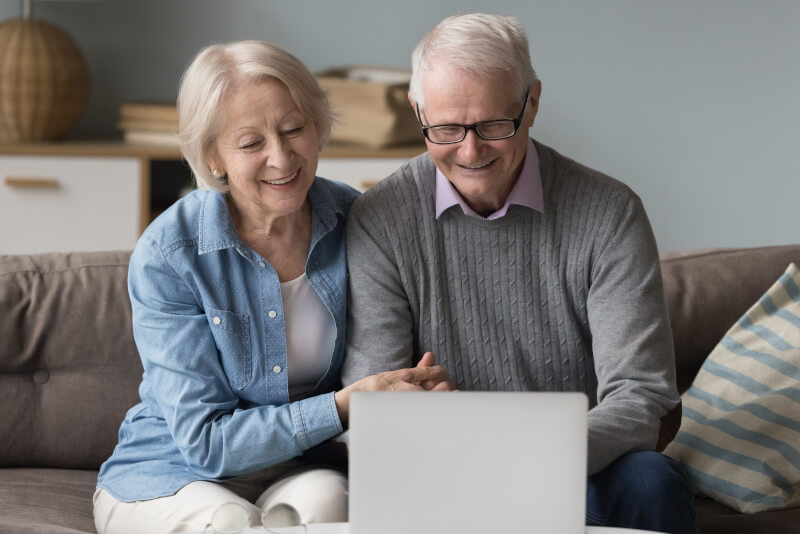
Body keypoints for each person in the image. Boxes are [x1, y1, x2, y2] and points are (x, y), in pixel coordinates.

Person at [342, 14, 698, 534]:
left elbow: (641, 395)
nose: (470, 152)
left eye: (492, 125)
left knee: (651, 481)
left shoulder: (609, 212)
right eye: (445, 129)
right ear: (418, 110)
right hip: (441, 472)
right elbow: (373, 402)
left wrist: (528, 463)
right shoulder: (379, 220)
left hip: (582, 467)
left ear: (531, 102)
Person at [93, 40, 452, 534]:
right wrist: (346, 405)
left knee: (333, 506)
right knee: (230, 522)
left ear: (317, 126)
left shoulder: (358, 221)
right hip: (173, 473)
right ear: (213, 157)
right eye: (250, 143)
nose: (281, 158)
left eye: (294, 129)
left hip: (296, 469)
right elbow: (206, 445)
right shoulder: (169, 253)